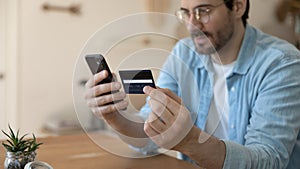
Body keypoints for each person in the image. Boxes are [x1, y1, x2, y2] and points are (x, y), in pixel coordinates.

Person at [84, 0, 300, 168]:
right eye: (186, 13)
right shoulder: (184, 53)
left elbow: (268, 161)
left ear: (237, 6)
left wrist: (189, 140)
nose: (191, 24)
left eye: (202, 11)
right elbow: (148, 133)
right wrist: (114, 116)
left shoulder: (282, 64)